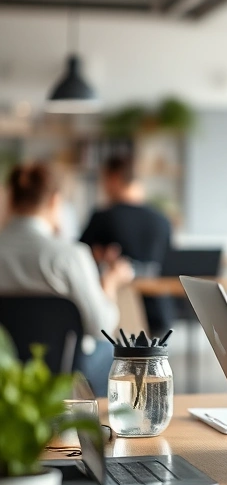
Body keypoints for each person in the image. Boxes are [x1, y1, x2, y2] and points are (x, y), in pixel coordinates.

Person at [0, 162, 134, 392]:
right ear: (55, 201)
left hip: (6, 372)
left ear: (10, 200)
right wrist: (109, 283)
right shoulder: (70, 255)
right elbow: (101, 327)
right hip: (62, 374)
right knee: (117, 352)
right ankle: (101, 426)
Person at [80, 156, 173, 335]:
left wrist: (99, 256)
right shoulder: (162, 220)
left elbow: (79, 257)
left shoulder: (104, 218)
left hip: (118, 316)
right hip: (160, 313)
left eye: (104, 180)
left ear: (114, 179)